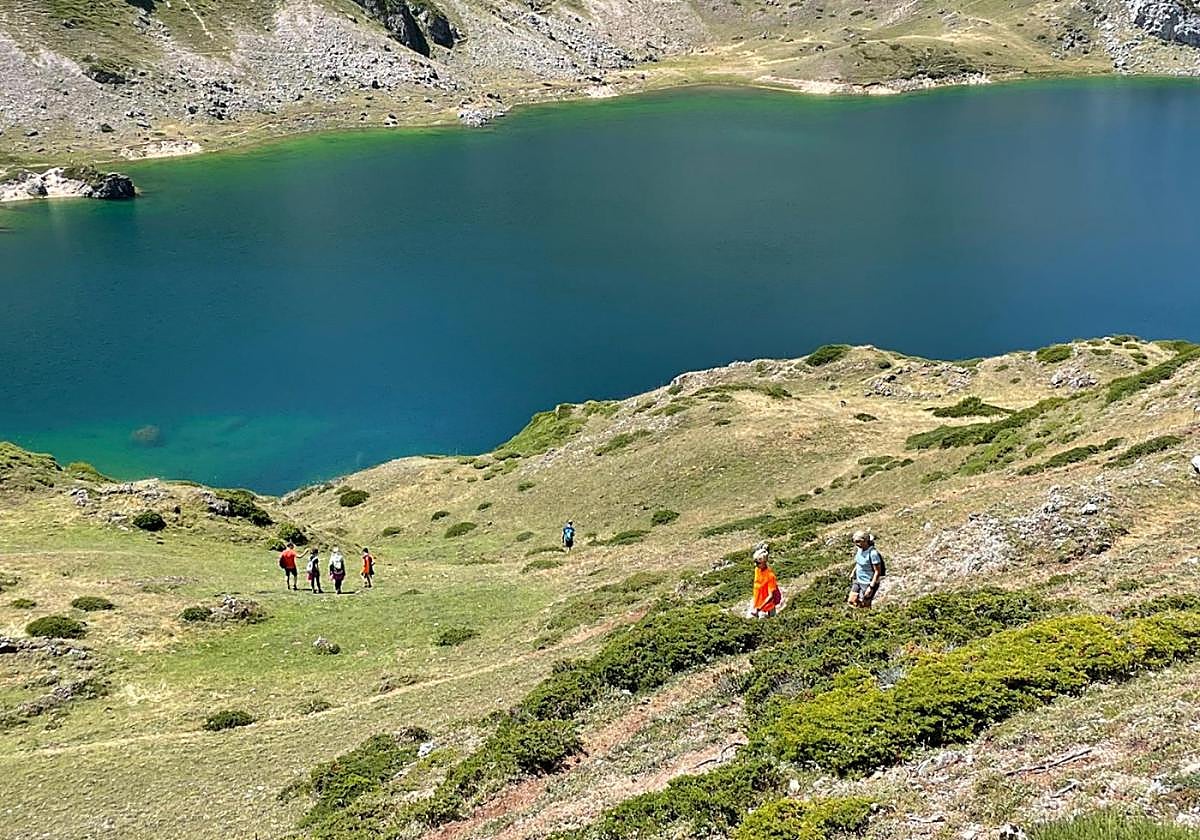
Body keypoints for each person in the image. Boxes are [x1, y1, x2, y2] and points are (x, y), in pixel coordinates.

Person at [848, 530, 883, 608]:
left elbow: (877, 572)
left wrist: (871, 587)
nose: (856, 544)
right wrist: (853, 572)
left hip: (867, 582)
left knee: (864, 605)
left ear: (865, 541)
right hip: (858, 579)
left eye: (858, 541)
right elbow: (859, 562)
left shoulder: (873, 553)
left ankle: (866, 618)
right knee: (852, 600)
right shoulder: (859, 550)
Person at [749, 542, 782, 619]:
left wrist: (759, 608)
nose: (755, 565)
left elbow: (770, 596)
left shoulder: (770, 576)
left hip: (765, 608)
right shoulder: (757, 570)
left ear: (763, 562)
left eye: (757, 563)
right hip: (756, 604)